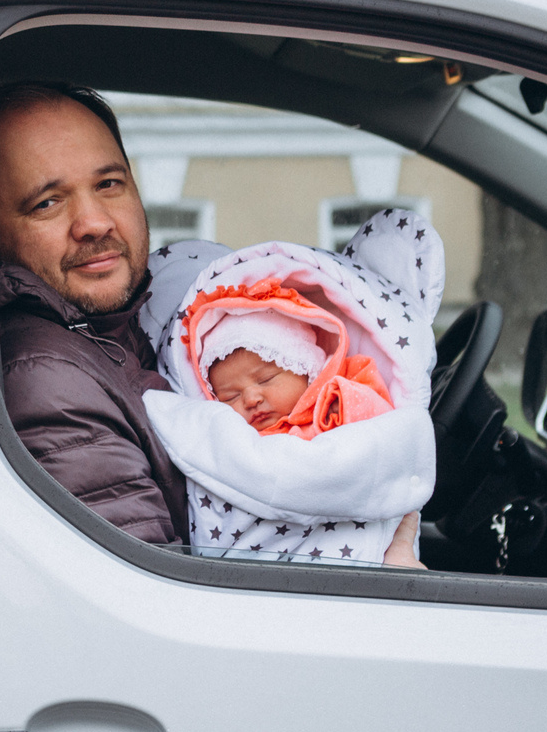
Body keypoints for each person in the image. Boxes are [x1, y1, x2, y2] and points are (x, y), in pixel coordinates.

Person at [137, 211, 443, 566]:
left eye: (266, 379)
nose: (251, 398)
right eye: (230, 396)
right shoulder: (227, 434)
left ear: (309, 371)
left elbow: (383, 445)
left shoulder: (343, 399)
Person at [0, 80, 189, 544]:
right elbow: (155, 599)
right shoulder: (46, 380)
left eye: (109, 184)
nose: (95, 223)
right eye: (47, 203)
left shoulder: (122, 329)